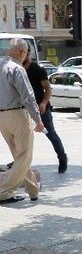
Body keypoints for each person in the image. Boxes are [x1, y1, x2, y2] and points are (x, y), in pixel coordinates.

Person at [0, 38, 44, 204]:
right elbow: (28, 97)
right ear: (21, 52)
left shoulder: (1, 65)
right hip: (17, 115)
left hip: (2, 117)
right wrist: (38, 120)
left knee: (19, 157)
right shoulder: (17, 68)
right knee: (24, 157)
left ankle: (33, 189)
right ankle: (4, 192)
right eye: (26, 53)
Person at [23, 52, 67, 173]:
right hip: (22, 109)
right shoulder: (16, 70)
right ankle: (20, 163)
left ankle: (62, 158)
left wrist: (44, 103)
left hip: (40, 108)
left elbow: (47, 88)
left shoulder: (37, 69)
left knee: (50, 134)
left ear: (27, 54)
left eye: (23, 53)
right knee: (21, 136)